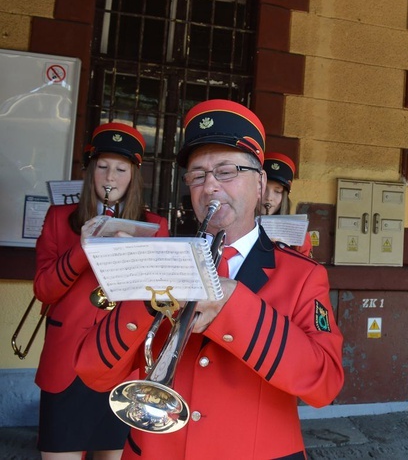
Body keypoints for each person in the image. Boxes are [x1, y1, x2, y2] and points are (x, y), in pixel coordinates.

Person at [75, 99, 344, 459]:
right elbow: (94, 372)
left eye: (226, 171)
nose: (210, 186)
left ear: (261, 183)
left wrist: (235, 304)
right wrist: (147, 294)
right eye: (198, 175)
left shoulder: (302, 275)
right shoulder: (160, 260)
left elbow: (324, 385)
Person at [34, 122, 169, 460]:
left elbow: (163, 299)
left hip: (122, 359)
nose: (110, 178)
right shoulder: (59, 218)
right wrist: (83, 248)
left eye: (121, 169)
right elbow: (45, 291)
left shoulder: (155, 226)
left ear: (133, 176)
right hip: (66, 362)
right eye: (103, 167)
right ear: (91, 172)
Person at [261, 151, 313, 257]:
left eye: (278, 191)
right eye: (263, 189)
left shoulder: (299, 233)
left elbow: (305, 269)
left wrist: (287, 254)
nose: (269, 197)